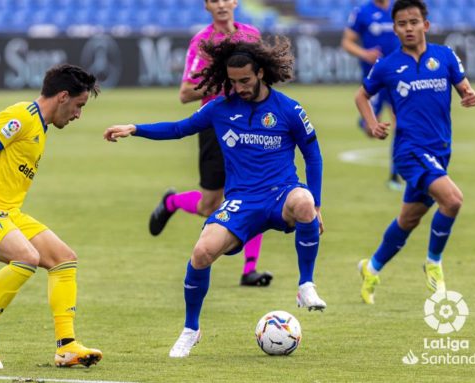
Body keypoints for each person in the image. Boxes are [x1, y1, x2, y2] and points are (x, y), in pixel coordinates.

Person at [104, 36, 327, 358]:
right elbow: (179, 128)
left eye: (245, 80)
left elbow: (313, 156)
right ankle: (191, 329)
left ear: (261, 73)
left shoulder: (289, 109)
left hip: (281, 193)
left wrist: (317, 204)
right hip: (241, 200)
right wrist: (135, 128)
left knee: (303, 203)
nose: (239, 88)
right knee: (201, 252)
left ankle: (306, 285)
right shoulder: (219, 109)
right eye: (233, 82)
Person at [0, 64, 103, 369]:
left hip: (8, 213)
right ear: (63, 96)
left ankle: (67, 346)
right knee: (27, 257)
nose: (78, 115)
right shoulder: (21, 116)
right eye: (79, 105)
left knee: (64, 259)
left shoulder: (40, 126)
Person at [355, 0, 475, 304]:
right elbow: (361, 96)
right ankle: (433, 262)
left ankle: (371, 268)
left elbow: (463, 87)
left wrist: (468, 94)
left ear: (426, 24)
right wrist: (372, 124)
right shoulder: (386, 66)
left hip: (440, 150)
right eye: (401, 23)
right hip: (409, 152)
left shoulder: (445, 56)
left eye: (413, 22)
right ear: (394, 28)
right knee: (452, 200)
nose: (408, 28)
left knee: (408, 220)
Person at [149, 0, 273, 287]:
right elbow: (185, 93)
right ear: (207, 6)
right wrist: (226, 83)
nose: (220, 4)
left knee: (256, 192)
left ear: (235, 2)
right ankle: (172, 202)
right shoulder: (203, 42)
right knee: (209, 204)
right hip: (217, 127)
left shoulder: (251, 35)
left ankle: (249, 270)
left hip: (250, 124)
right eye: (213, 0)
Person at [341, 0, 403, 190]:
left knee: (400, 123)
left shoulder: (398, 8)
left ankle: (395, 175)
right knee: (372, 130)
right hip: (374, 78)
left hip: (398, 76)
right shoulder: (363, 12)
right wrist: (364, 53)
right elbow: (347, 42)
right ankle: (365, 121)